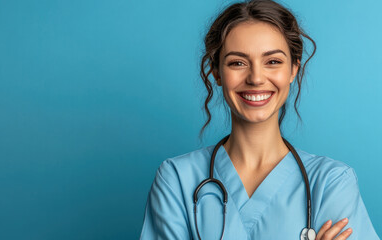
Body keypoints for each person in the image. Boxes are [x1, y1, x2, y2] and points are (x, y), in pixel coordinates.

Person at [139, 0, 380, 239]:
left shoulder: (331, 182)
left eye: (273, 61)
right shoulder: (177, 179)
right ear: (216, 72)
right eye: (238, 63)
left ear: (293, 69)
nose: (256, 78)